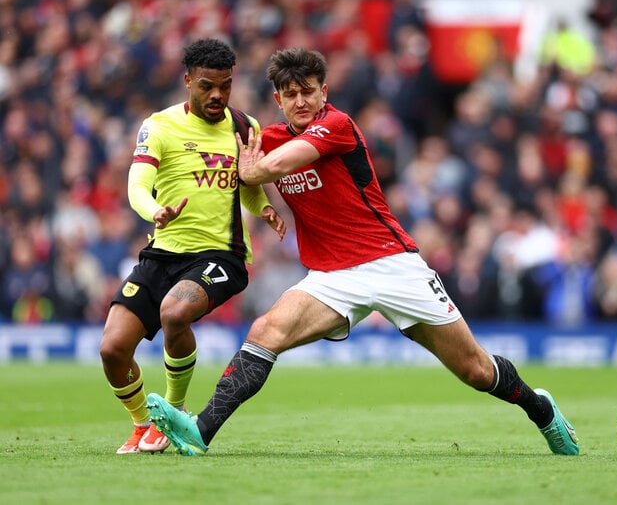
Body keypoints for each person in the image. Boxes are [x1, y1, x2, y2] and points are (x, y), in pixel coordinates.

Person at [147, 47, 579, 457]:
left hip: (392, 264)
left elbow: (273, 165)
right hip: (332, 277)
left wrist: (253, 172)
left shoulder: (336, 126)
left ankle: (541, 410)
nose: (301, 101)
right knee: (265, 331)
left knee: (476, 371)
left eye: (309, 91)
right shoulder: (268, 137)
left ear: (324, 93)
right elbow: (227, 159)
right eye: (291, 94)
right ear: (278, 99)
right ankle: (201, 431)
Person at [99, 38, 286, 454]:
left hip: (221, 255)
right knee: (112, 349)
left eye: (225, 85)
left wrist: (265, 208)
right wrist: (154, 211)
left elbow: (249, 185)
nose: (217, 95)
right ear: (187, 81)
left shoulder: (245, 127)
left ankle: (172, 414)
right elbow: (137, 185)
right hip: (162, 252)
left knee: (175, 312)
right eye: (206, 86)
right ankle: (142, 424)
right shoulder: (159, 126)